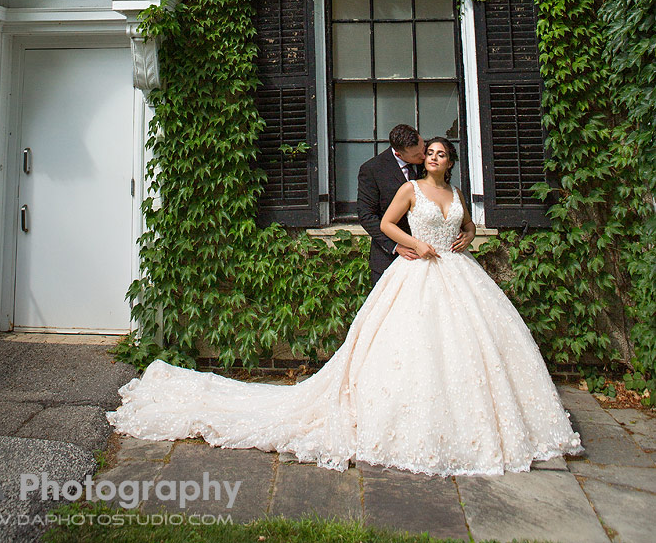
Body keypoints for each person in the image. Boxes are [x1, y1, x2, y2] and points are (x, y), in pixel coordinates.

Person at [111, 137, 582, 476]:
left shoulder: (456, 195)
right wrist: (414, 246)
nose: (434, 158)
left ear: (450, 162)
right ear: (423, 159)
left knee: (468, 350)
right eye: (430, 152)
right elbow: (385, 223)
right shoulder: (410, 189)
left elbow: (468, 224)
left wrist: (467, 236)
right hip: (416, 273)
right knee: (406, 345)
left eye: (441, 154)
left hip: (459, 276)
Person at [357, 123, 426, 286]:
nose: (424, 157)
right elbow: (367, 216)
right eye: (417, 155)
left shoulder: (429, 158)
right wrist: (396, 245)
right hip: (390, 259)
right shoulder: (372, 169)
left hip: (428, 255)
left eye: (423, 148)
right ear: (399, 154)